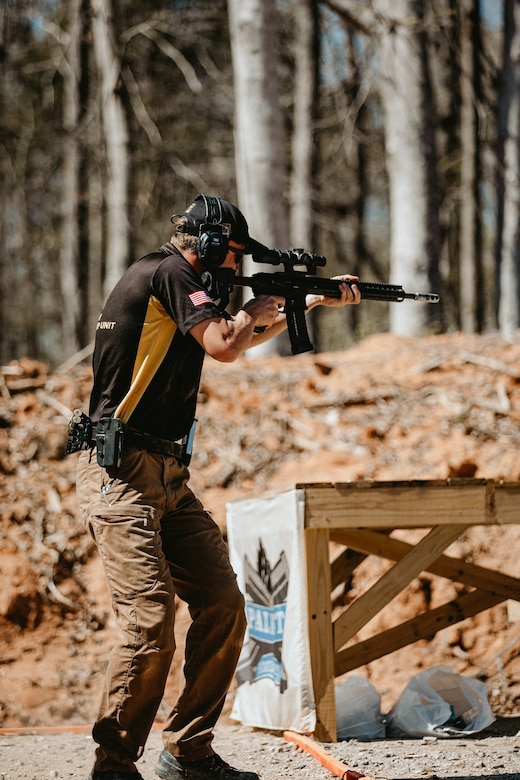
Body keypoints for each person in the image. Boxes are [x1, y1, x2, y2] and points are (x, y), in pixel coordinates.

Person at [75, 194, 361, 780]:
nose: (234, 268)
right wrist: (265, 302)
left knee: (224, 604)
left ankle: (188, 749)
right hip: (120, 474)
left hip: (168, 475)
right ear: (204, 246)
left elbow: (238, 336)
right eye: (231, 256)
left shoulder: (183, 281)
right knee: (148, 620)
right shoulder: (169, 272)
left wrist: (305, 303)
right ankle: (113, 764)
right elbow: (228, 345)